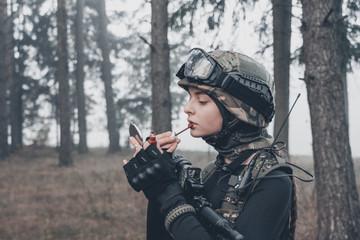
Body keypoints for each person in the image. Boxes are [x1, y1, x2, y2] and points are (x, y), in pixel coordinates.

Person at [123, 48, 297, 240]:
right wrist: (157, 184)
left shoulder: (273, 182)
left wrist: (169, 195)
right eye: (190, 98)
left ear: (238, 112)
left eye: (202, 100)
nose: (187, 108)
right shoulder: (211, 172)